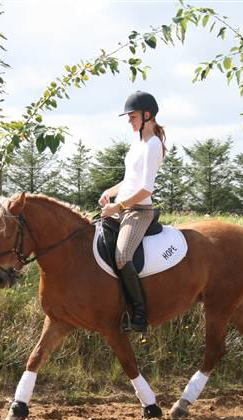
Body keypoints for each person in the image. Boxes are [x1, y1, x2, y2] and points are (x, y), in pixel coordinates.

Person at [99, 91, 167, 332]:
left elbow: (145, 188)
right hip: (123, 207)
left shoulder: (153, 145)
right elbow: (129, 180)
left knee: (122, 256)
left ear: (147, 115)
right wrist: (110, 191)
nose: (129, 120)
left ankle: (139, 314)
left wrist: (118, 206)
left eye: (133, 116)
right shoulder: (137, 143)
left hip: (139, 211)